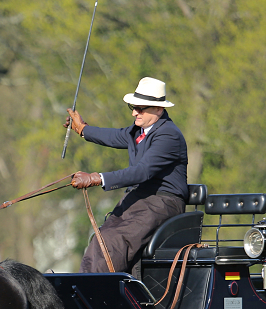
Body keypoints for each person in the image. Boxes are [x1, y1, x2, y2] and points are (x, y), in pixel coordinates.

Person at [65, 76, 188, 273]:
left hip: (162, 202)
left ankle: (104, 294)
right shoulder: (138, 131)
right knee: (99, 240)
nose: (134, 113)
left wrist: (98, 178)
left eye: (140, 108)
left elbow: (143, 171)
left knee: (114, 242)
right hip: (138, 200)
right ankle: (86, 290)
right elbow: (112, 136)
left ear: (158, 109)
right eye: (133, 106)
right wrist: (83, 129)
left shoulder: (169, 135)